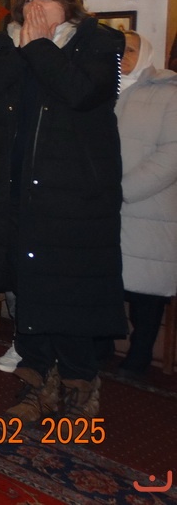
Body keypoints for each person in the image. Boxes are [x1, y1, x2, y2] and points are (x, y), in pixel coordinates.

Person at [0, 0, 125, 420]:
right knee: (28, 288)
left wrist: (38, 47)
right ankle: (36, 382)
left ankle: (80, 385)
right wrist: (22, 49)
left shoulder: (99, 42)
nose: (35, 5)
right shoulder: (10, 43)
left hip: (74, 198)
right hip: (17, 193)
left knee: (70, 293)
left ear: (68, 5)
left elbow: (81, 93)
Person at [113, 31, 177, 379]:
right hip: (106, 206)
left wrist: (124, 189)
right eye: (118, 50)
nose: (122, 55)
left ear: (147, 53)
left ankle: (139, 356)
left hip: (148, 206)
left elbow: (171, 156)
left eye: (131, 50)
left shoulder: (168, 92)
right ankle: (101, 346)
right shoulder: (102, 90)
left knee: (145, 291)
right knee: (106, 282)